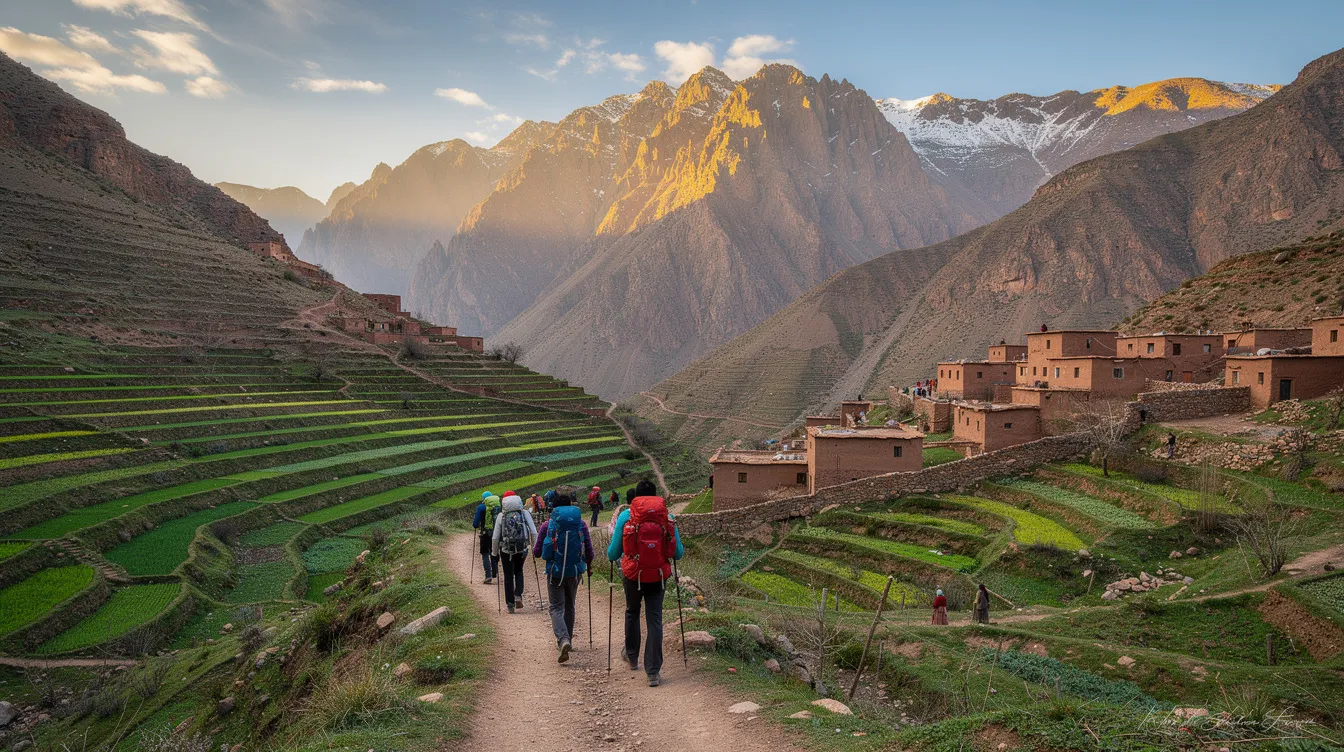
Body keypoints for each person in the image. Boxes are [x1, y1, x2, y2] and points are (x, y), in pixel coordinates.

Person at [607, 479, 684, 687]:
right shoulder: (667, 517)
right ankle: (653, 671)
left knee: (632, 612)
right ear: (655, 495)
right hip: (658, 574)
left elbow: (613, 552)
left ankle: (632, 657)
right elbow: (678, 553)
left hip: (633, 574)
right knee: (654, 619)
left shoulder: (626, 516)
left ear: (636, 497)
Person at [534, 491, 593, 662]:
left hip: (555, 571)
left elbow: (538, 552)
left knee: (556, 607)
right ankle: (569, 640)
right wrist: (588, 567)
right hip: (574, 571)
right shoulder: (580, 524)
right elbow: (588, 550)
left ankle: (563, 639)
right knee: (570, 606)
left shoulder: (548, 525)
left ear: (555, 507)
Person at [493, 492, 538, 613]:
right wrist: (535, 547)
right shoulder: (524, 513)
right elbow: (533, 531)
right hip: (522, 548)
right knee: (518, 570)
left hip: (505, 550)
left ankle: (510, 604)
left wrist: (494, 553)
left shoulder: (501, 516)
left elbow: (495, 538)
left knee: (508, 575)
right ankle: (518, 595)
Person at [471, 491, 501, 584]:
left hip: (485, 534)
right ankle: (495, 573)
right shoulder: (497, 507)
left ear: (483, 499)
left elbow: (475, 524)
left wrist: (477, 525)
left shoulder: (481, 507)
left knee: (485, 553)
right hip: (496, 533)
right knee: (494, 552)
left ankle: (488, 575)